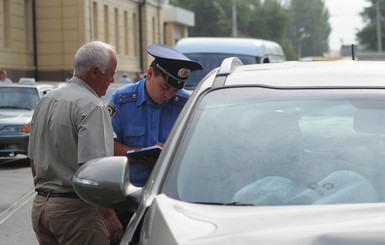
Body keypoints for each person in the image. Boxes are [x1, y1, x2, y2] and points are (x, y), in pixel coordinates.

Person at [28, 40, 123, 245]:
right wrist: (108, 215)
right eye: (111, 73)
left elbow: (33, 160)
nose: (112, 79)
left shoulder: (45, 101)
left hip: (41, 207)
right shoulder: (92, 106)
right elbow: (94, 170)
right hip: (76, 211)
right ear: (95, 72)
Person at [107, 43, 202, 237]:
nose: (168, 95)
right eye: (165, 87)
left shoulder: (187, 104)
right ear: (150, 74)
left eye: (175, 91)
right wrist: (140, 154)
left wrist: (168, 158)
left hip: (171, 202)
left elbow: (199, 151)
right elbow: (108, 147)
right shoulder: (122, 100)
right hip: (127, 201)